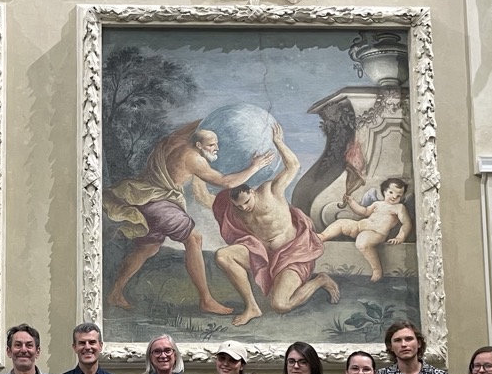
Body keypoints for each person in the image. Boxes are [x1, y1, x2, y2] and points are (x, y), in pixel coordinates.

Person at [104, 122, 276, 315]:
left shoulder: (172, 142)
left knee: (148, 247)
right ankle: (206, 300)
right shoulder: (193, 158)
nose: (217, 148)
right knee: (194, 239)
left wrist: (208, 121)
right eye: (211, 145)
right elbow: (226, 182)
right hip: (158, 202)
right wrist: (255, 166)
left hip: (145, 198)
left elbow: (192, 129)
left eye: (216, 144)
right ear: (198, 145)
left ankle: (115, 293)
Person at [211, 123, 340, 326]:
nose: (244, 208)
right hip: (264, 254)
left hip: (292, 254)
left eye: (246, 202)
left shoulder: (271, 191)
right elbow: (211, 192)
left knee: (281, 305)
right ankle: (252, 307)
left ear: (252, 191)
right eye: (239, 205)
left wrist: (278, 142)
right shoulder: (232, 206)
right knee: (223, 255)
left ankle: (320, 280)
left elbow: (293, 166)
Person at [318, 178, 413, 282]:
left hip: (376, 233)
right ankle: (322, 236)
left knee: (362, 243)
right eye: (391, 192)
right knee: (341, 223)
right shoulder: (377, 204)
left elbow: (406, 223)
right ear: (384, 192)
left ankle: (377, 270)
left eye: (399, 195)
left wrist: (400, 237)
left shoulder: (399, 208)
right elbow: (364, 212)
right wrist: (352, 202)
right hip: (360, 226)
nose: (394, 197)